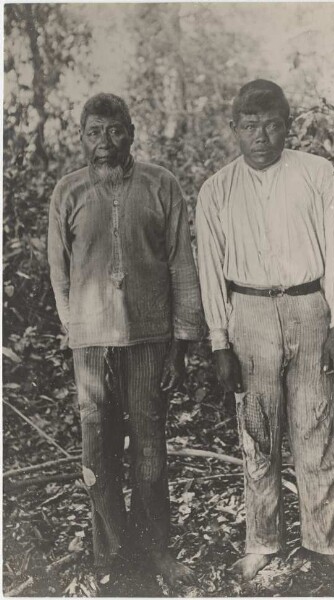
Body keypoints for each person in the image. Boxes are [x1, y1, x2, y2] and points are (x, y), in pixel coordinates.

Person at [196, 80, 334, 582]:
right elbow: (210, 268)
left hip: (310, 307)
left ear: (287, 125)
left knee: (315, 427)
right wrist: (220, 341)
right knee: (258, 433)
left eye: (270, 124)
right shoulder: (217, 190)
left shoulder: (317, 174)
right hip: (249, 313)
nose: (261, 136)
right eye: (249, 126)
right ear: (234, 130)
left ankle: (324, 540)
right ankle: (263, 541)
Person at [48, 93, 204, 587]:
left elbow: (182, 265)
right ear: (81, 138)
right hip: (92, 346)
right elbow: (60, 273)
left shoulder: (162, 185)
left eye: (115, 131)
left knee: (151, 449)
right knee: (98, 449)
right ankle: (109, 556)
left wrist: (180, 346)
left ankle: (156, 550)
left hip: (149, 339)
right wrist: (77, 333)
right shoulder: (67, 192)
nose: (105, 143)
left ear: (132, 133)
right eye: (94, 132)